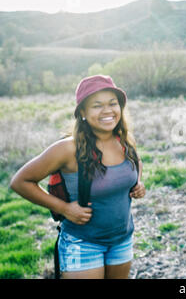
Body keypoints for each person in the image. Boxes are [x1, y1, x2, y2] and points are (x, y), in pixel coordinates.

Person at [10, 75, 146, 279]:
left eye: (113, 103)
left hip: (122, 240)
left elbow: (136, 163)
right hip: (82, 244)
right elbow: (20, 182)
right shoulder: (67, 149)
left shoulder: (124, 140)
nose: (107, 110)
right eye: (97, 105)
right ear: (82, 112)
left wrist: (138, 183)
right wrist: (64, 208)